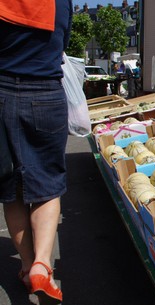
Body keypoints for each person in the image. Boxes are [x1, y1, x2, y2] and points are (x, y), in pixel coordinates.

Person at [0, 0, 72, 304]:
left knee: (11, 187)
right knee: (46, 186)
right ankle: (43, 265)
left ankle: (29, 266)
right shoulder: (59, 2)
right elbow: (63, 42)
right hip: (45, 93)